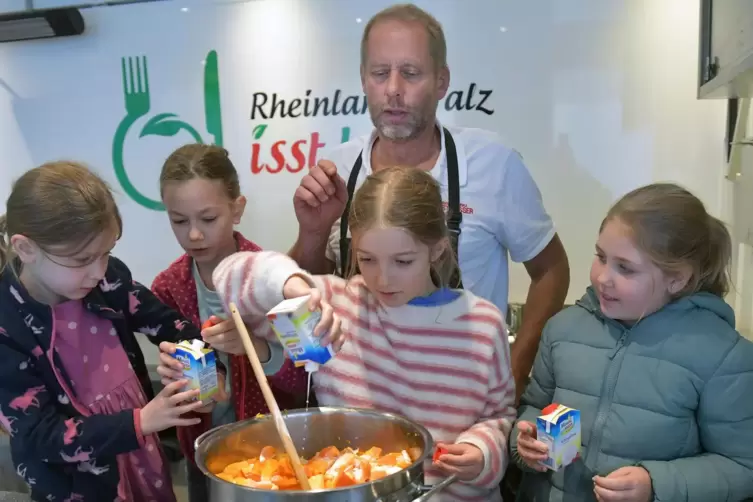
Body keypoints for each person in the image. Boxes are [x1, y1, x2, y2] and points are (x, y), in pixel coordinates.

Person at [288, 3, 569, 400]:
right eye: (380, 73)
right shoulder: (339, 167)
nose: (394, 90)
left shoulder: (493, 163)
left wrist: (517, 367)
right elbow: (308, 291)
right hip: (360, 404)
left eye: (411, 73)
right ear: (364, 80)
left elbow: (552, 270)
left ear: (441, 81)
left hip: (463, 403)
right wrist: (313, 232)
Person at [209, 166, 515, 501]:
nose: (382, 279)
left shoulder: (482, 324)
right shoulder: (336, 306)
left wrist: (482, 452)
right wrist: (293, 287)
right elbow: (228, 274)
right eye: (367, 259)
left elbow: (498, 415)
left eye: (402, 262)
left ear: (438, 250)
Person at [511, 183, 753, 501]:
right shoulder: (563, 330)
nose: (602, 277)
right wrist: (524, 440)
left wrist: (656, 484)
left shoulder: (724, 356)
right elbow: (534, 407)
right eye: (600, 256)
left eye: (625, 268)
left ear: (677, 278)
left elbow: (741, 467)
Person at [0, 162, 213, 501]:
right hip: (77, 485)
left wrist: (204, 375)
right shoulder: (7, 326)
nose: (99, 271)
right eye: (82, 259)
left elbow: (170, 324)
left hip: (140, 454)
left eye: (106, 253)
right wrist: (140, 422)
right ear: (26, 249)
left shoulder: (107, 278)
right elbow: (39, 435)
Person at [150, 144, 309, 501]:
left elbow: (307, 376)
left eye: (208, 219)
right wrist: (195, 395)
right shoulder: (167, 289)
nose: (193, 234)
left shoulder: (275, 279)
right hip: (204, 453)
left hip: (275, 449)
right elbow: (191, 385)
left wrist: (257, 348)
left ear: (237, 209)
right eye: (179, 220)